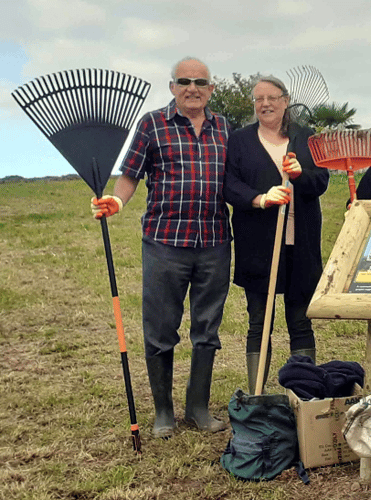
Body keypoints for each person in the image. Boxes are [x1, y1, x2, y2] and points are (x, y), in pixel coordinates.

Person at [91, 57, 231, 438]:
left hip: (215, 242)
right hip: (165, 243)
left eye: (200, 82)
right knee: (161, 328)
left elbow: (242, 176)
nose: (193, 88)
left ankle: (198, 409)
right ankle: (164, 412)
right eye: (184, 81)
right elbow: (130, 174)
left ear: (211, 89)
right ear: (172, 87)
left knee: (207, 329)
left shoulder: (224, 128)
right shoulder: (152, 125)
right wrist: (116, 202)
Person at [223, 75, 329, 393]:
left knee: (300, 321)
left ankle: (305, 394)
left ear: (286, 100)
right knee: (260, 322)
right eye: (258, 99)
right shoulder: (240, 140)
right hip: (258, 248)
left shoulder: (306, 138)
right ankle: (257, 395)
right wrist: (261, 199)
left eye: (272, 97)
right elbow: (229, 185)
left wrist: (300, 175)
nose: (265, 104)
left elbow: (320, 181)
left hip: (301, 247)